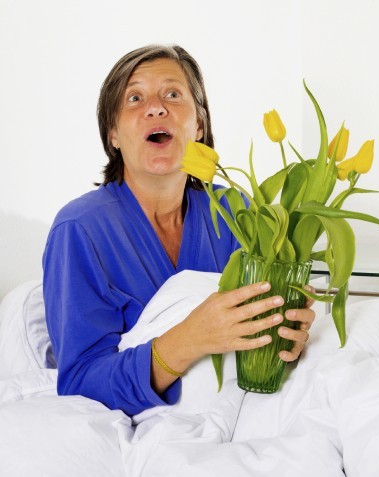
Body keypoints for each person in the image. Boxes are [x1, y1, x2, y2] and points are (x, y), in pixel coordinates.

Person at [43, 44, 315, 417]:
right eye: (135, 98)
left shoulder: (241, 214)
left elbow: (263, 335)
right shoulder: (79, 231)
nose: (156, 107)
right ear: (113, 134)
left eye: (173, 93)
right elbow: (79, 383)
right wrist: (190, 339)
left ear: (199, 125)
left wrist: (290, 333)